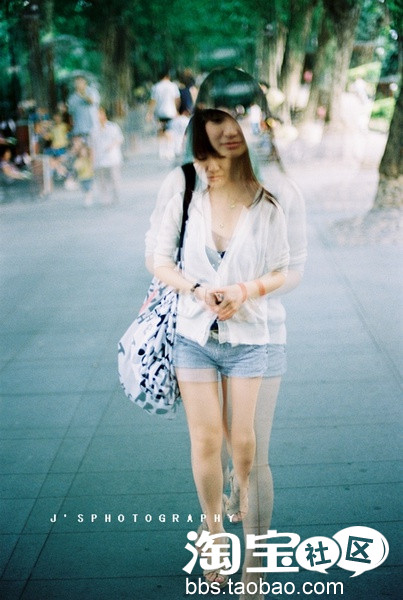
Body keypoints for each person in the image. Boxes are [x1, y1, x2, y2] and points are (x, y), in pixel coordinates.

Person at [145, 68, 307, 599]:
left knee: (249, 453)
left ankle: (255, 564)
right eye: (218, 116)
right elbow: (158, 258)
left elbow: (292, 269)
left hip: (258, 337)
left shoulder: (278, 190)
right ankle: (215, 536)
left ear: (260, 120)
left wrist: (247, 289)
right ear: (201, 120)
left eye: (242, 115)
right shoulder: (183, 183)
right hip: (194, 334)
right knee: (207, 441)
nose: (230, 128)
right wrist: (196, 289)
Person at [91, 106, 124, 205]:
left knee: (114, 178)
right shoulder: (93, 130)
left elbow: (120, 139)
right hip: (99, 159)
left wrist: (111, 146)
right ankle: (105, 198)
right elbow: (92, 146)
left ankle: (116, 196)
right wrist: (92, 161)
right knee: (102, 181)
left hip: (112, 158)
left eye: (99, 114)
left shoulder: (113, 127)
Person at [146, 70, 180, 160]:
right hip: (171, 112)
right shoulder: (173, 86)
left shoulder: (156, 87)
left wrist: (150, 113)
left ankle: (161, 151)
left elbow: (153, 101)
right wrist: (177, 110)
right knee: (170, 131)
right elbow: (177, 99)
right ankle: (170, 151)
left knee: (160, 130)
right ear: (167, 76)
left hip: (160, 112)